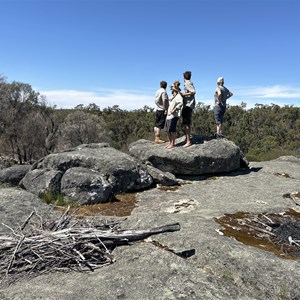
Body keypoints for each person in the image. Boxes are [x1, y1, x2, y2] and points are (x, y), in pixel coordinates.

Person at [164, 83, 183, 149]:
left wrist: (174, 109)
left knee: (172, 130)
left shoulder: (178, 96)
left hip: (174, 115)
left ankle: (172, 143)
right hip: (169, 115)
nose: (171, 90)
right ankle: (170, 142)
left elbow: (180, 104)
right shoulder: (173, 97)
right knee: (167, 130)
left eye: (172, 89)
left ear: (174, 90)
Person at [181, 71, 196, 147]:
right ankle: (187, 139)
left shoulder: (188, 83)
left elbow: (193, 92)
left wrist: (183, 94)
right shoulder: (188, 83)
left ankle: (188, 141)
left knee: (186, 123)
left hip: (188, 105)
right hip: (187, 104)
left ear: (184, 77)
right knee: (186, 123)